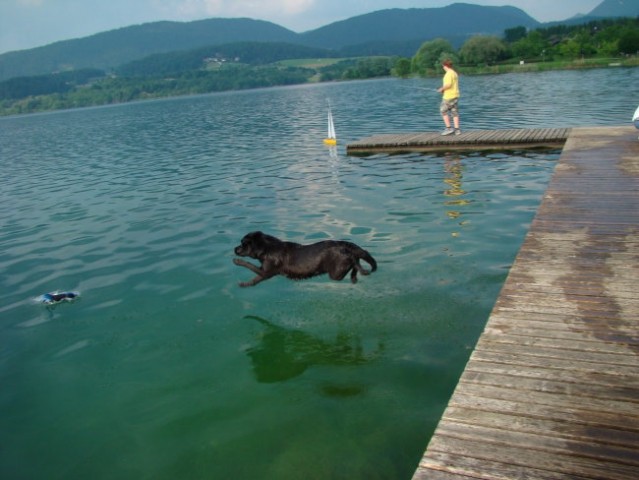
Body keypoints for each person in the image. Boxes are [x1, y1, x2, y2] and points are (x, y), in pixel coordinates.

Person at [437, 59, 461, 136]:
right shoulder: (454, 73)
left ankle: (449, 128)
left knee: (443, 111)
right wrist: (443, 90)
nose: (443, 68)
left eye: (443, 66)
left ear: (445, 66)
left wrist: (441, 89)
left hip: (448, 97)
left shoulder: (448, 74)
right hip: (455, 95)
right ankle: (457, 130)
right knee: (454, 112)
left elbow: (448, 85)